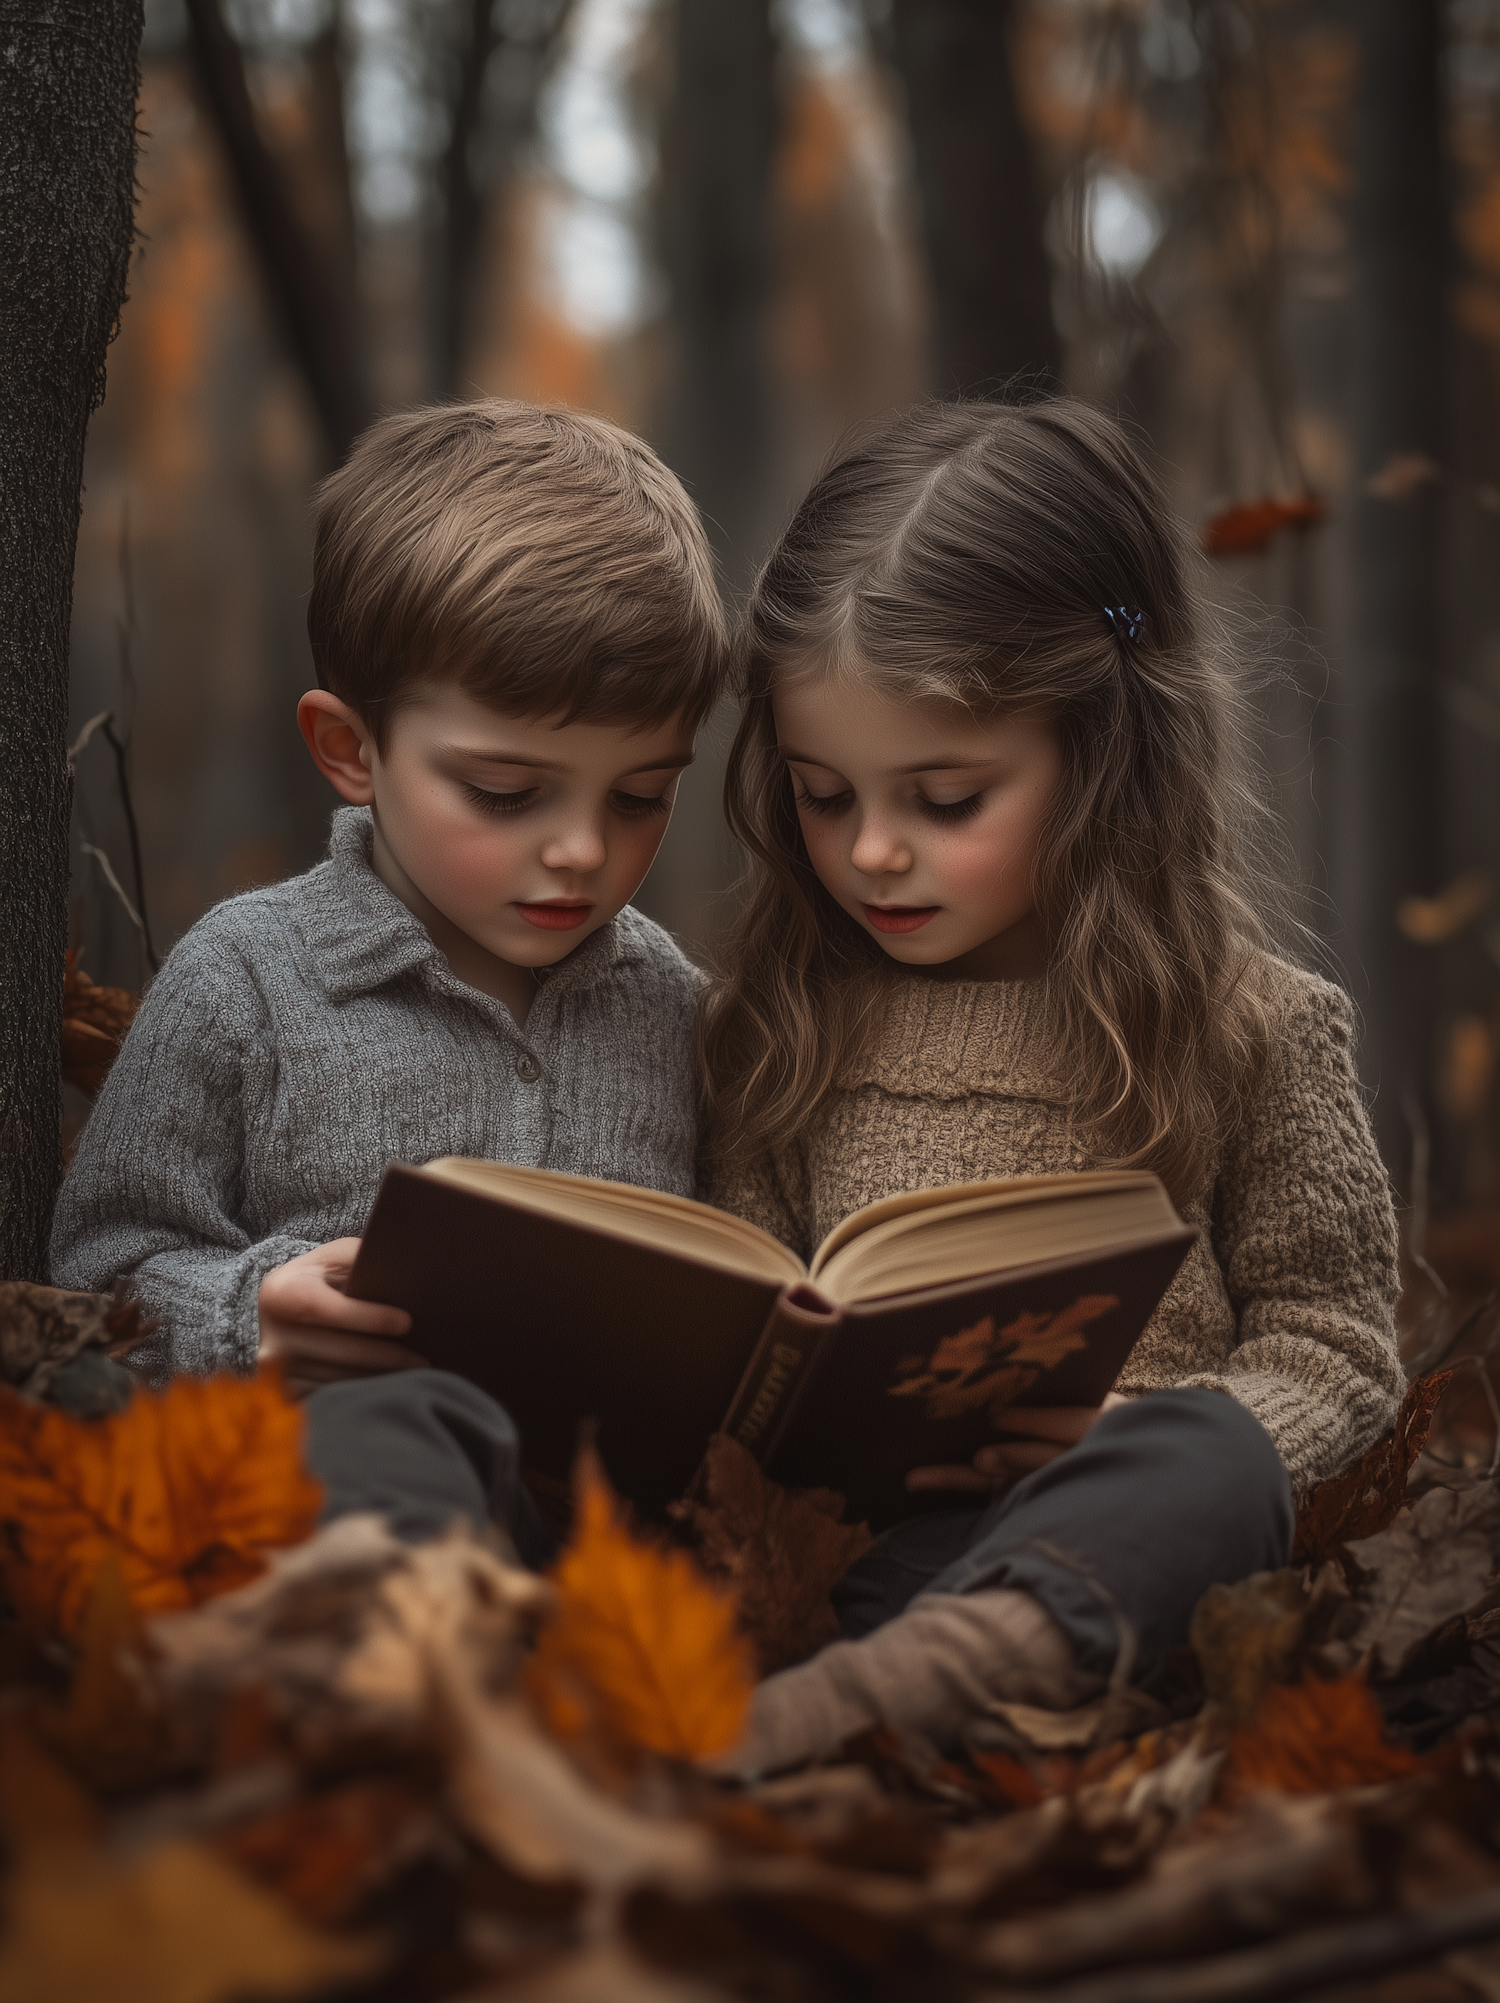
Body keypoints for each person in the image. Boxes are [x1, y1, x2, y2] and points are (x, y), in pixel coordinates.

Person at [697, 397, 1404, 1773]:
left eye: (945, 798)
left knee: (1204, 1463)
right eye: (823, 794)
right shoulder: (776, 1030)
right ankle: (863, 1703)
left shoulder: (1250, 1026)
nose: (872, 852)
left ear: (1106, 753)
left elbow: (1338, 1349)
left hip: (1129, 1561)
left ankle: (895, 1700)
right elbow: (752, 1312)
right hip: (864, 1565)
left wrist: (1152, 1423)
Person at [51, 399, 727, 1397]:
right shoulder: (246, 982)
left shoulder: (675, 1008)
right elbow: (92, 1276)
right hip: (337, 1494)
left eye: (641, 796)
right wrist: (249, 1318)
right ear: (351, 750)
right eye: (505, 793)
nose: (584, 849)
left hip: (612, 1520)